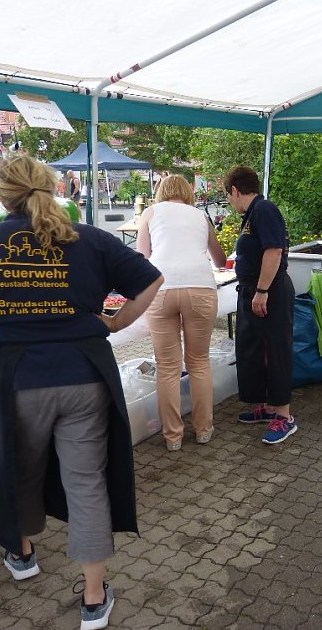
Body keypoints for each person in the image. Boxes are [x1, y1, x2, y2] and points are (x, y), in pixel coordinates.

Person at [0, 155, 163, 629]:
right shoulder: (90, 238)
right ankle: (94, 598)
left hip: (18, 378)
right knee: (86, 481)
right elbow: (152, 279)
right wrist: (115, 323)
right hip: (85, 373)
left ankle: (22, 552)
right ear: (51, 189)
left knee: (18, 468)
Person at [136, 174, 227, 451]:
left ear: (161, 191)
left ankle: (173, 437)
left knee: (167, 367)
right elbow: (220, 260)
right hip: (200, 288)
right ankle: (203, 430)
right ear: (187, 192)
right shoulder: (201, 217)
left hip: (161, 289)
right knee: (199, 362)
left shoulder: (150, 213)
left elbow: (142, 256)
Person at [224, 165, 297, 444]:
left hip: (270, 291)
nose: (230, 203)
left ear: (234, 190)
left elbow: (274, 250)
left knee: (274, 350)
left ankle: (284, 417)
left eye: (229, 197)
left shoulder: (264, 210)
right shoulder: (253, 214)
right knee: (255, 350)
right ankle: (267, 407)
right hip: (256, 291)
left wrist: (262, 291)